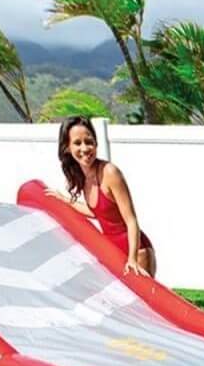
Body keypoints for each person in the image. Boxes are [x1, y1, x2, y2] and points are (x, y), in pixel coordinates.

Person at [46, 115, 156, 277]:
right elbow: (98, 213)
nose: (85, 148)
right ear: (67, 148)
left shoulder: (110, 173)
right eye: (77, 143)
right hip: (113, 252)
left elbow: (131, 220)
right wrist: (64, 200)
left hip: (136, 251)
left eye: (89, 141)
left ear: (96, 143)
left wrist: (132, 259)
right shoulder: (82, 177)